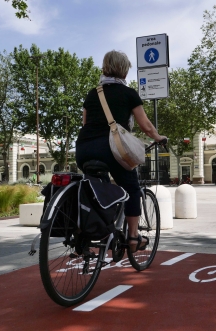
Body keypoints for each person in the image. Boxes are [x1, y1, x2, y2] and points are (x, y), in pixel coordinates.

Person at [75, 50, 167, 253]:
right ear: (124, 71)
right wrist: (158, 137)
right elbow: (146, 126)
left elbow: (85, 123)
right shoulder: (129, 93)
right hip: (111, 149)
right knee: (132, 188)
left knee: (94, 191)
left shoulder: (93, 93)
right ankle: (133, 237)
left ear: (104, 67)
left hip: (83, 149)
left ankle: (86, 234)